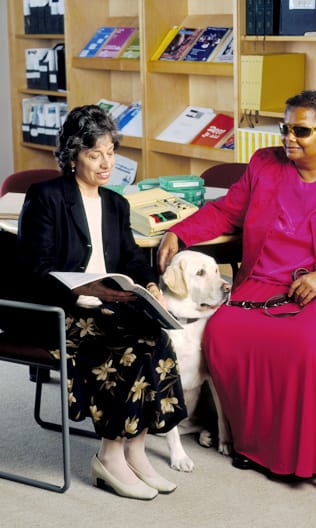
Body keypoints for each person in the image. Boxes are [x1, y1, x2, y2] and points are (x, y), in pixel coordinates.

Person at [158, 90, 316, 481]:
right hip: (262, 282)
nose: (288, 137)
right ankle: (245, 440)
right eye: (285, 128)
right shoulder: (264, 165)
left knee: (304, 342)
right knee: (222, 332)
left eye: (301, 130)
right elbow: (225, 211)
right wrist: (180, 233)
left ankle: (299, 455)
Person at [16, 104, 187, 500]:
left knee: (154, 338)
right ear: (73, 156)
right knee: (123, 346)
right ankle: (110, 456)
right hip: (59, 311)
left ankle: (137, 450)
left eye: (111, 152)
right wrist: (84, 290)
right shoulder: (46, 197)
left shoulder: (115, 203)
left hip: (107, 306)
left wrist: (148, 283)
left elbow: (129, 258)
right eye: (95, 154)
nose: (106, 162)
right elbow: (33, 271)